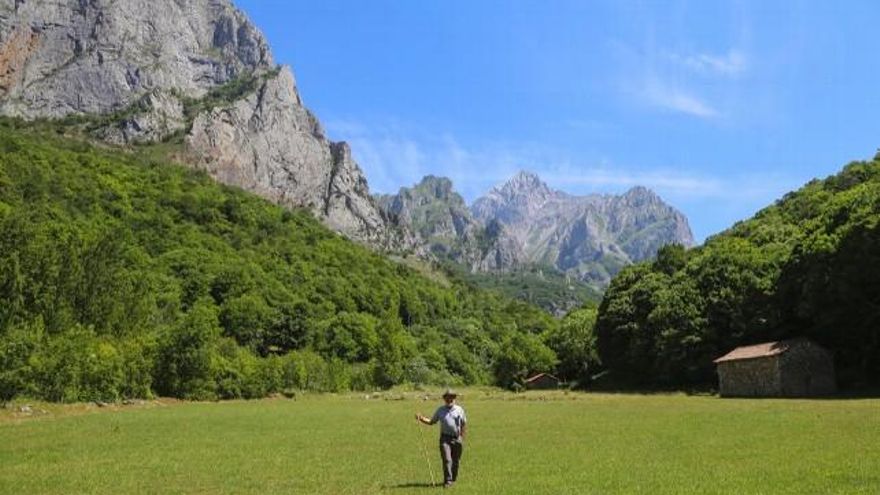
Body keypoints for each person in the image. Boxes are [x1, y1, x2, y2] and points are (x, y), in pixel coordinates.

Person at [416, 388, 467, 488]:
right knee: (447, 460)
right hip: (445, 439)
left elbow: (464, 424)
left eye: (451, 397)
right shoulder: (440, 410)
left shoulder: (459, 410)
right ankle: (447, 481)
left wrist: (462, 437)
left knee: (455, 461)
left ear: (454, 398)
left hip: (457, 438)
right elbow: (431, 421)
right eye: (447, 397)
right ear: (445, 399)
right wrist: (421, 418)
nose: (449, 399)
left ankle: (453, 479)